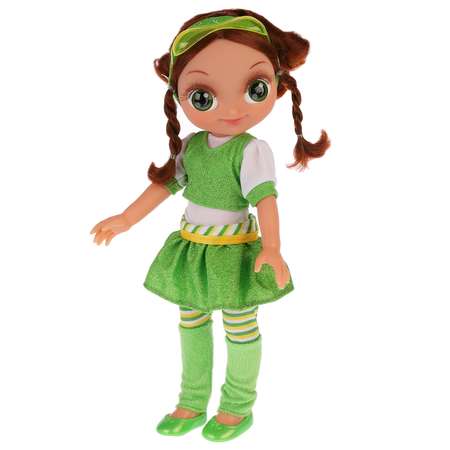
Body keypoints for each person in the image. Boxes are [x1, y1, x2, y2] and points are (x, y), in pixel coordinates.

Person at [90, 9, 330, 442]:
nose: (233, 108)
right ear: (179, 97)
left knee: (240, 327)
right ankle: (192, 400)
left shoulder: (252, 150)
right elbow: (164, 187)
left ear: (277, 87)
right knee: (192, 323)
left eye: (255, 89)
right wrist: (127, 218)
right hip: (192, 249)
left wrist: (272, 248)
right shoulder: (191, 146)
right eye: (203, 96)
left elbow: (266, 200)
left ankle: (237, 406)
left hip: (234, 254)